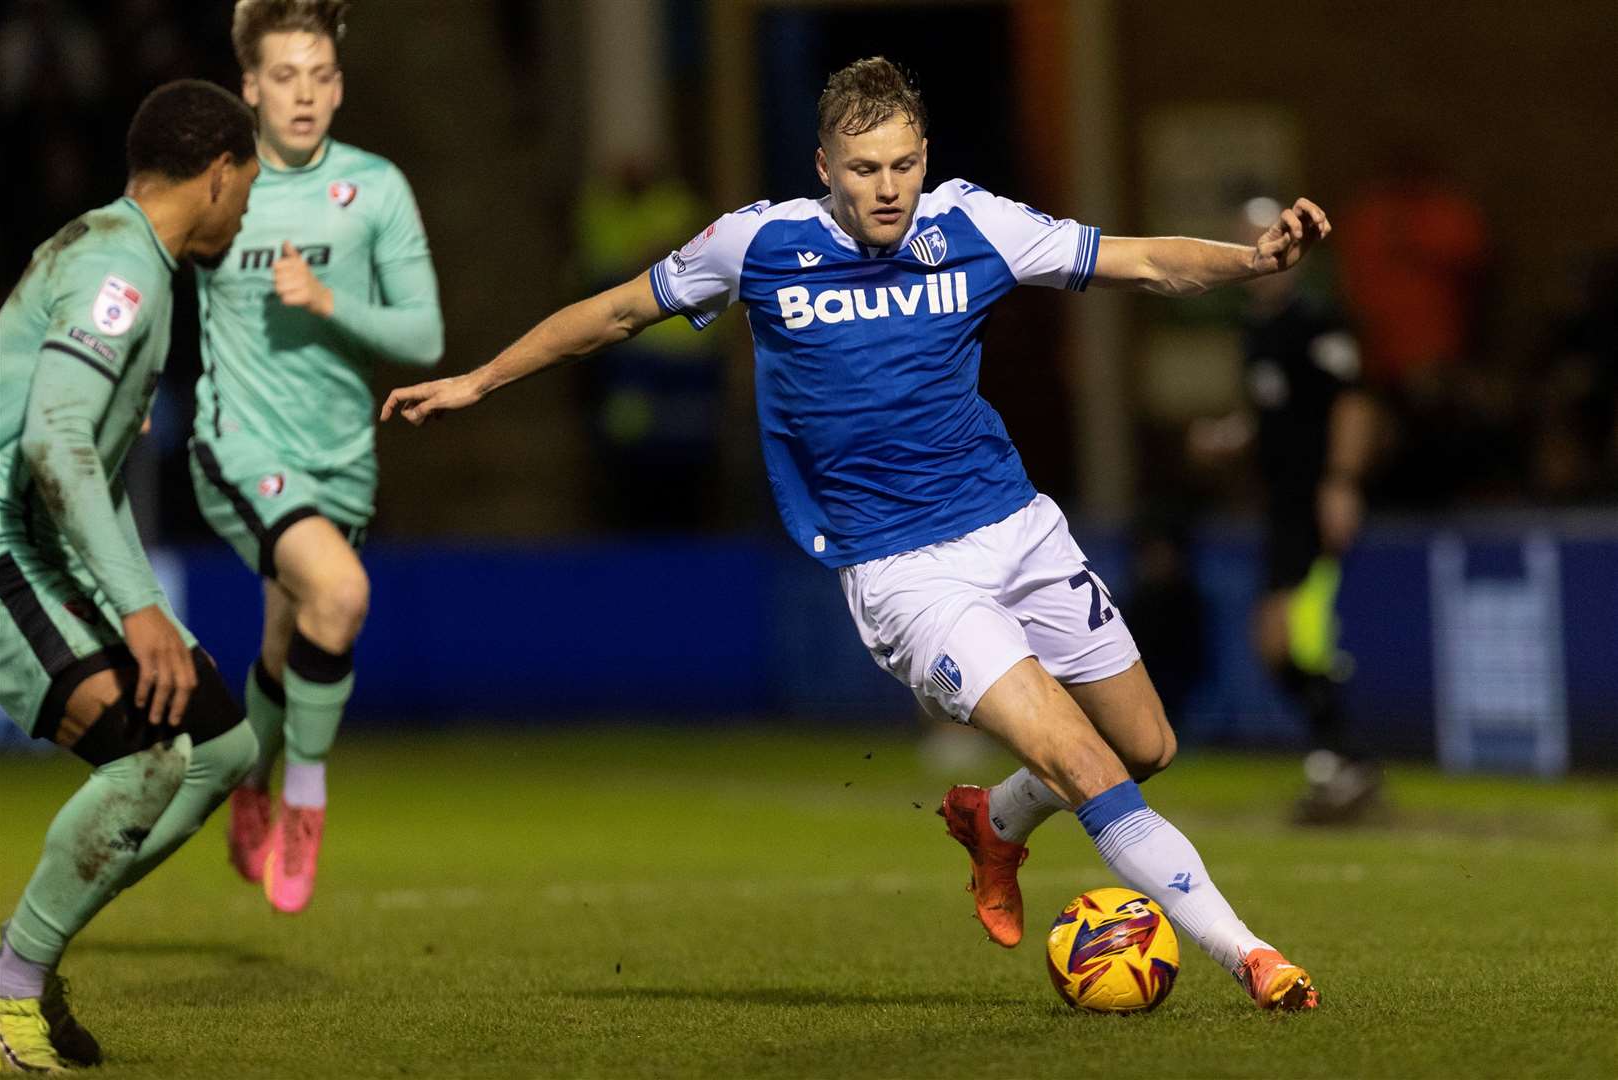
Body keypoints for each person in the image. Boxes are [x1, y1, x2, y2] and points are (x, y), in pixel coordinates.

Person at [382, 58, 1326, 1011]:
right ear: (824, 164)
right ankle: (1252, 957)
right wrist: (478, 381)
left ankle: (994, 821)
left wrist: (1249, 262)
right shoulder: (756, 244)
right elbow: (620, 311)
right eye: (866, 168)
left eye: (905, 165)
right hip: (906, 572)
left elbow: (1139, 258)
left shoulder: (972, 223)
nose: (889, 188)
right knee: (1083, 763)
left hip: (1018, 527)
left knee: (1143, 744)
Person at [0, 79, 262, 1072]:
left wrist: (132, 595)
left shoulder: (119, 251)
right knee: (151, 756)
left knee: (221, 746)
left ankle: (22, 957)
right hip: (0, 543)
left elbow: (81, 459)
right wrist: (143, 609)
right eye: (248, 189)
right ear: (220, 171)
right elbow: (54, 443)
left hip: (34, 540)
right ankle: (12, 985)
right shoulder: (123, 272)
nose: (245, 211)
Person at [191, 0, 444, 914]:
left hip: (340, 460)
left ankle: (249, 783)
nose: (305, 95)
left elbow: (423, 334)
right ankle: (305, 799)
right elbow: (138, 268)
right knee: (339, 595)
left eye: (320, 75)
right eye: (284, 77)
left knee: (284, 639)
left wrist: (331, 302)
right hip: (238, 444)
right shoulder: (216, 179)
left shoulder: (375, 187)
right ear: (251, 88)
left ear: (338, 83)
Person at [1192, 198, 1381, 822]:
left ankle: (1343, 759)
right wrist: (1229, 437)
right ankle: (1340, 758)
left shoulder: (1316, 321)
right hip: (1281, 503)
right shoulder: (1255, 327)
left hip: (1313, 498)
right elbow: (1270, 413)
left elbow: (1352, 404)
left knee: (1293, 632)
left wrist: (1342, 482)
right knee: (1278, 638)